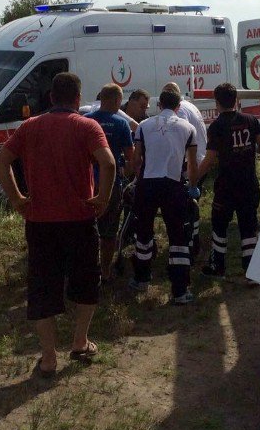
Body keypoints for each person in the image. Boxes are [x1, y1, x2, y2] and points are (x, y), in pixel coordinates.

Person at [0, 72, 116, 378]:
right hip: (80, 219)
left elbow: (0, 161)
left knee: (43, 286)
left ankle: (48, 358)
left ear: (50, 98)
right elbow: (109, 162)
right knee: (87, 280)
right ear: (78, 97)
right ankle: (80, 340)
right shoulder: (88, 126)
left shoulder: (30, 126)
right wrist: (102, 199)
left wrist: (18, 199)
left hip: (40, 221)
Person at [192, 82, 260, 281]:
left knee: (219, 225)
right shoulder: (251, 120)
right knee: (248, 227)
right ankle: (251, 272)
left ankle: (218, 267)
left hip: (226, 186)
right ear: (237, 100)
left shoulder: (217, 126)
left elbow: (208, 160)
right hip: (249, 184)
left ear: (217, 102)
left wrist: (193, 180)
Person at [130, 88, 198, 304]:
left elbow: (136, 160)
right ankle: (179, 290)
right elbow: (193, 163)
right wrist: (193, 185)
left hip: (147, 184)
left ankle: (141, 278)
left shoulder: (143, 125)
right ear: (179, 106)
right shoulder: (188, 128)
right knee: (178, 237)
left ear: (159, 105)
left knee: (143, 232)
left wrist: (135, 180)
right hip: (173, 185)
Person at [86, 84, 135, 283]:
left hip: (87, 183)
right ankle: (105, 272)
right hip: (111, 183)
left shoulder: (86, 121)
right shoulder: (121, 124)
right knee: (109, 231)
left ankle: (86, 268)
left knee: (86, 228)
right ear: (116, 100)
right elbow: (131, 157)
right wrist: (126, 174)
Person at [162, 82, 207, 256]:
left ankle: (190, 243)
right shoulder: (189, 105)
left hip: (191, 165)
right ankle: (193, 239)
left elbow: (182, 140)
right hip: (198, 160)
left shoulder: (179, 112)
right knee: (192, 206)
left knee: (186, 208)